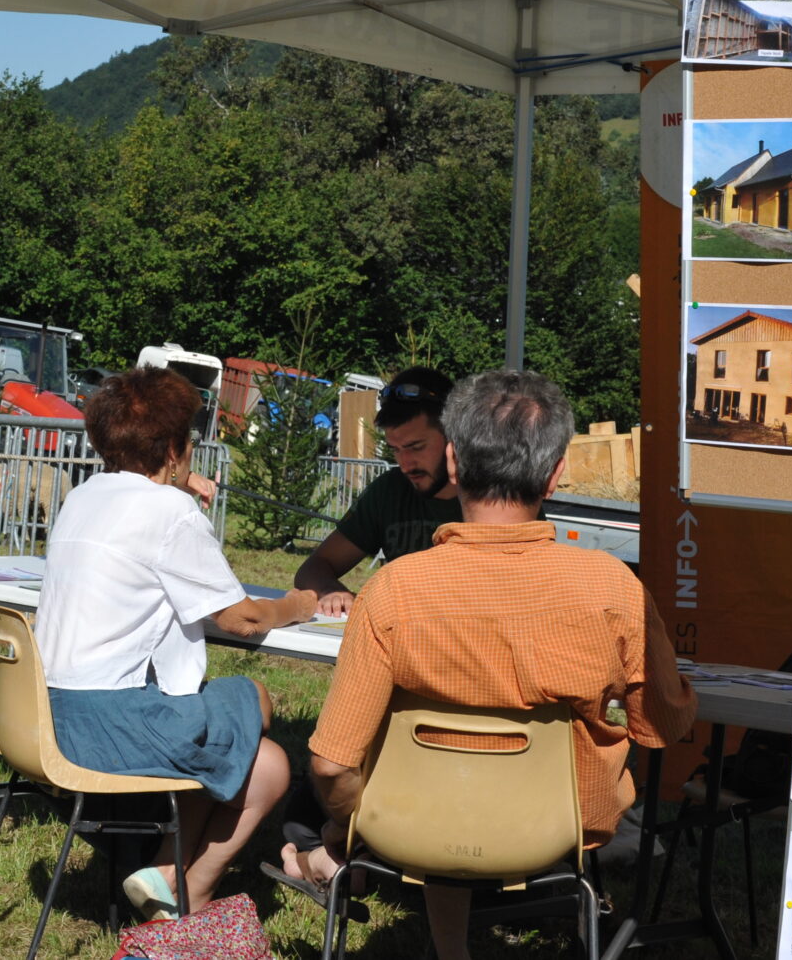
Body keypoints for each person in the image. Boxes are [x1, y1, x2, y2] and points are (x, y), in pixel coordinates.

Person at [294, 370, 697, 960]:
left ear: (453, 461)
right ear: (558, 472)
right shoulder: (614, 589)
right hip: (558, 830)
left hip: (411, 823)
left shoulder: (392, 589)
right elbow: (663, 725)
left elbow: (330, 766)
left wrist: (352, 823)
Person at [36, 367, 317, 919]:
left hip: (48, 718)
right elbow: (242, 619)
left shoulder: (85, 495)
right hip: (110, 725)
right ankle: (173, 871)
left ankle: (180, 888)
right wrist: (299, 604)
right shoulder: (169, 511)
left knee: (269, 763)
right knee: (252, 699)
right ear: (174, 446)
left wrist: (175, 482)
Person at [293, 367, 458, 616]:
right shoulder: (391, 490)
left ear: (454, 435)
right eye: (395, 449)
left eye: (416, 447)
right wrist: (330, 590)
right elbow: (313, 568)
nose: (405, 464)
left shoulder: (496, 498)